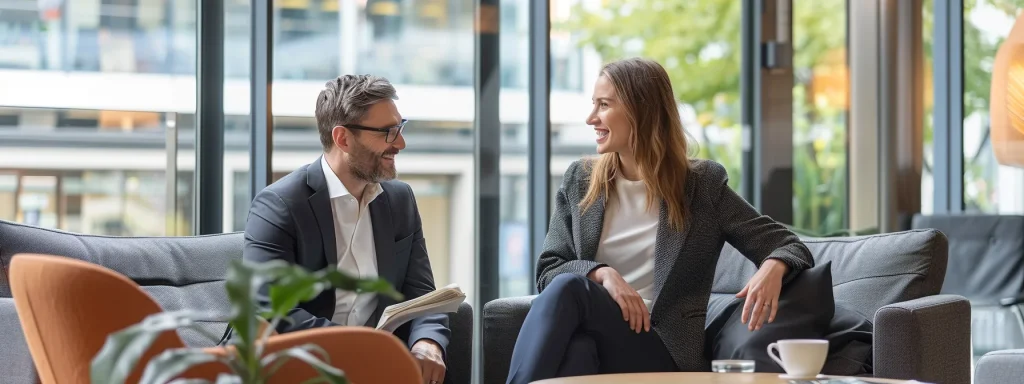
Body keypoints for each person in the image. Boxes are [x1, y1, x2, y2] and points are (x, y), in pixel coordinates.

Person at [505, 58, 815, 384]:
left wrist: (773, 267)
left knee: (571, 289)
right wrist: (603, 274)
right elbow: (549, 269)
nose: (591, 117)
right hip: (596, 337)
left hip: (661, 347)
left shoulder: (701, 186)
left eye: (604, 105)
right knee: (578, 351)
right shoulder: (580, 180)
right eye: (593, 104)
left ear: (641, 110)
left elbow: (787, 244)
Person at [242, 74, 449, 384]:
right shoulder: (280, 205)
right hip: (302, 367)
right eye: (388, 132)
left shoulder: (399, 200)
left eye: (400, 127)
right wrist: (361, 349)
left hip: (377, 367)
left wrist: (428, 342)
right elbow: (270, 309)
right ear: (343, 139)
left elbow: (421, 293)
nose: (400, 143)